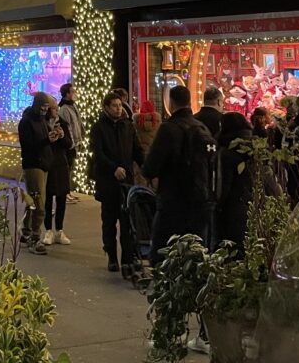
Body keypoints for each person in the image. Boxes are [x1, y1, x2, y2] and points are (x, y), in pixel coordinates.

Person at [142, 84, 214, 264]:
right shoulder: (202, 128)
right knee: (196, 252)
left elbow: (151, 167)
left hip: (172, 201)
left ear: (171, 103)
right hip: (199, 199)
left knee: (164, 253)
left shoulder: (168, 129)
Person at [89, 91, 144, 276]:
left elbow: (136, 149)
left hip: (126, 181)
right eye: (114, 105)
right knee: (109, 220)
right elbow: (99, 153)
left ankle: (127, 258)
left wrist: (146, 168)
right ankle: (111, 255)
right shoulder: (99, 128)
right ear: (106, 108)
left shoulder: (128, 126)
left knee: (127, 221)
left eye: (120, 105)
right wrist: (113, 168)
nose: (118, 108)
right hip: (108, 181)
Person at [216, 111, 281, 251]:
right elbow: (269, 179)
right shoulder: (257, 148)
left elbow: (223, 186)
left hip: (235, 208)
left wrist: (217, 206)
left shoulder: (226, 153)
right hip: (259, 205)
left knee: (236, 250)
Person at [18, 91, 59, 255]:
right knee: (39, 204)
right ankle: (35, 237)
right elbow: (28, 145)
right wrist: (47, 140)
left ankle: (26, 230)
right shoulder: (26, 122)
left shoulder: (42, 120)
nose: (44, 110)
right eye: (42, 107)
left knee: (34, 201)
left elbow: (45, 138)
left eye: (46, 107)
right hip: (33, 164)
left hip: (44, 164)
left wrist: (54, 136)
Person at [42, 99, 73, 247]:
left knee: (61, 198)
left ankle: (59, 229)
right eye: (53, 109)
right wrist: (48, 139)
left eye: (56, 108)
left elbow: (69, 144)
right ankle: (48, 230)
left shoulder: (63, 124)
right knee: (47, 198)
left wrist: (61, 136)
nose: (56, 111)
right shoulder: (42, 124)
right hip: (47, 163)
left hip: (61, 164)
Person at [57, 83, 83, 201]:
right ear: (67, 94)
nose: (75, 93)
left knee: (70, 167)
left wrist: (80, 139)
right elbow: (68, 128)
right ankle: (64, 192)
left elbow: (78, 123)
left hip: (75, 143)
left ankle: (68, 191)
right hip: (69, 145)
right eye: (72, 91)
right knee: (66, 168)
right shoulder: (64, 109)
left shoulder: (73, 106)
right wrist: (71, 143)